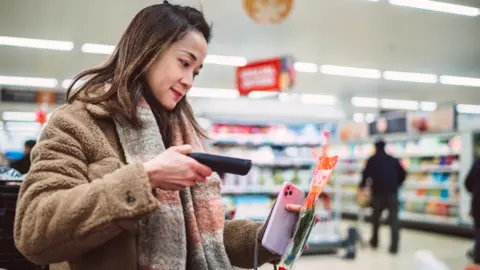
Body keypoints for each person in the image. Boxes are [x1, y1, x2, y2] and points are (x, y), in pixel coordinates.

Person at [13, 2, 304, 270]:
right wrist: (146, 179)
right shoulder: (78, 123)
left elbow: (199, 236)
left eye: (197, 71)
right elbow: (33, 230)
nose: (189, 81)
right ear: (149, 50)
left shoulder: (180, 131)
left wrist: (266, 235)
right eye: (184, 62)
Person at [359, 139, 406, 254]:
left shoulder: (372, 160)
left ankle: (374, 242)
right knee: (394, 220)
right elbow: (403, 173)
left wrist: (362, 186)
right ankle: (394, 246)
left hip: (378, 194)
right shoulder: (393, 159)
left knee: (375, 219)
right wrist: (397, 184)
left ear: (375, 147)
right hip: (392, 193)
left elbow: (365, 176)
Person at [465, 158, 480, 269]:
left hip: (478, 204)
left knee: (478, 231)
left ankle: (478, 257)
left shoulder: (478, 163)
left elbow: (467, 183)